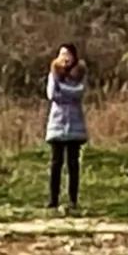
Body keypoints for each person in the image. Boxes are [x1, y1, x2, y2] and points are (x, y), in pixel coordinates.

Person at [43, 43, 88, 214]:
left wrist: (63, 90)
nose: (65, 57)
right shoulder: (53, 73)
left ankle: (73, 200)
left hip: (75, 124)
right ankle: (53, 200)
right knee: (56, 163)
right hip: (57, 123)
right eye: (62, 54)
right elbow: (52, 94)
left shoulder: (80, 73)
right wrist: (67, 92)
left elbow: (79, 92)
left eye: (67, 54)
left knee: (73, 164)